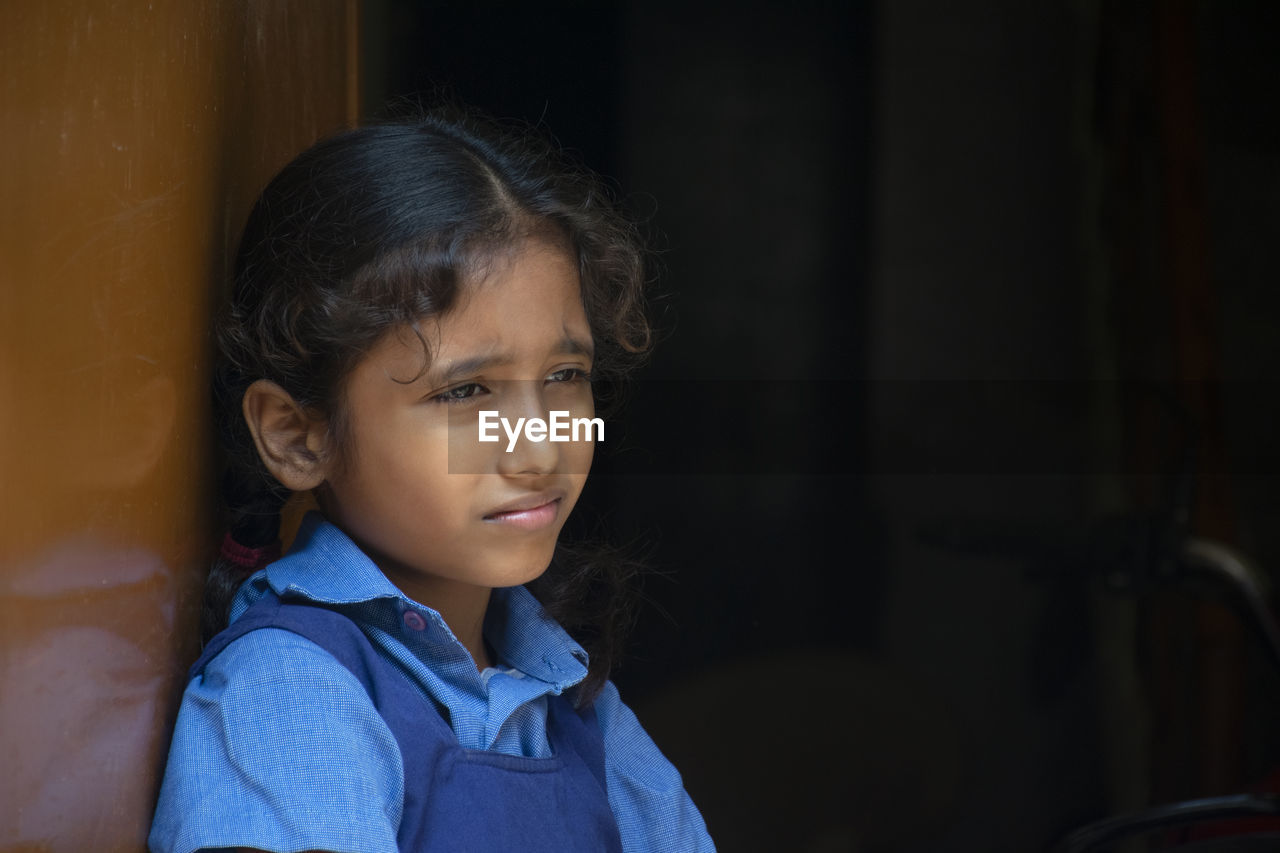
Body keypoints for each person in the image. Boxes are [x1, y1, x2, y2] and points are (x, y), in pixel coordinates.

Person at [149, 112, 715, 853]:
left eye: (565, 376)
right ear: (297, 435)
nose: (538, 447)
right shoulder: (287, 693)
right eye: (465, 392)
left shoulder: (580, 710)